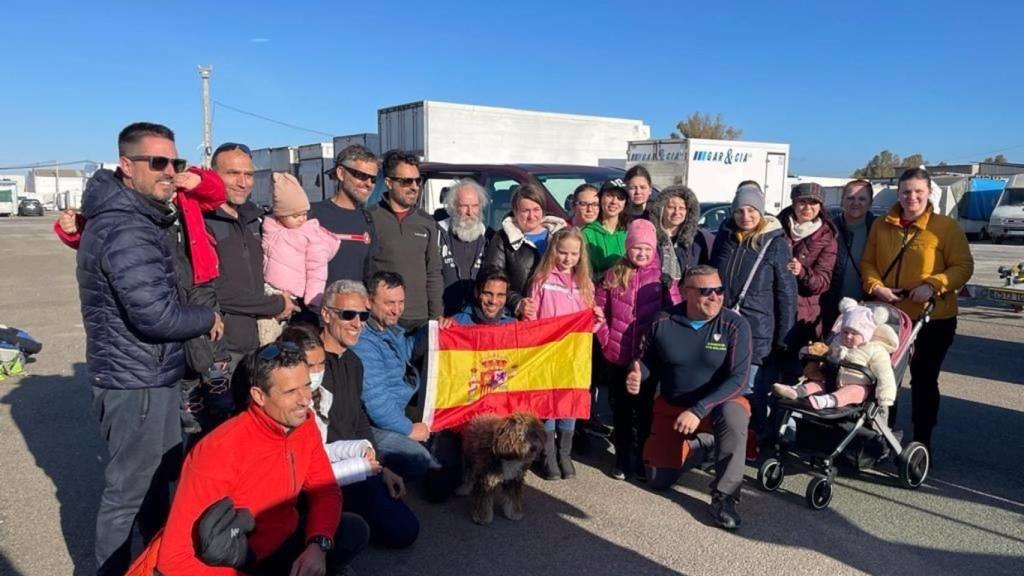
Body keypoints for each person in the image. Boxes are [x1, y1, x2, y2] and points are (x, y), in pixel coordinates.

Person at [76, 122, 221, 575]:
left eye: (174, 162)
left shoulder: (139, 217)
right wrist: (208, 317)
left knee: (157, 484)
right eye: (156, 162)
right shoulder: (126, 227)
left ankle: (157, 564)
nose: (168, 172)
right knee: (129, 494)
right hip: (134, 380)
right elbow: (155, 315)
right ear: (126, 166)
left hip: (147, 374)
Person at [155, 341, 369, 575]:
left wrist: (318, 545)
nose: (305, 399)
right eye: (290, 391)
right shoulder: (218, 449)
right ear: (258, 395)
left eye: (306, 386)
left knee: (352, 530)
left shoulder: (304, 425)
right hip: (236, 560)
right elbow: (174, 558)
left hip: (282, 538)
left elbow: (324, 490)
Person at [860, 167, 974, 450]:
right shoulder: (881, 225)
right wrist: (876, 287)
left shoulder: (945, 228)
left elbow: (963, 266)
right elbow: (868, 262)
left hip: (932, 317)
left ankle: (922, 440)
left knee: (924, 379)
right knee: (884, 376)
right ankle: (883, 436)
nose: (912, 197)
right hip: (892, 315)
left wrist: (934, 284)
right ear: (898, 193)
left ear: (929, 193)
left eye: (918, 191)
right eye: (906, 191)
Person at [285, 316, 419, 549]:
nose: (357, 323)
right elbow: (306, 474)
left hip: (339, 469)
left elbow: (327, 447)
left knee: (404, 528)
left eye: (321, 365)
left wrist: (371, 458)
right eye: (348, 314)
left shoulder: (333, 384)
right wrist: (360, 468)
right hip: (302, 492)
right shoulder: (285, 408)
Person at [636, 266, 752, 530]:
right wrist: (636, 373)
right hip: (674, 409)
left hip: (718, 406)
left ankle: (724, 497)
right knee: (657, 480)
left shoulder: (735, 324)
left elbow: (739, 380)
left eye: (719, 290)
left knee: (735, 415)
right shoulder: (662, 320)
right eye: (705, 291)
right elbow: (647, 364)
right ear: (684, 292)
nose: (715, 297)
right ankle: (702, 446)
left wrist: (699, 409)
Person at [596, 219, 682, 480]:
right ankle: (622, 458)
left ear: (654, 248)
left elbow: (675, 315)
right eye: (636, 248)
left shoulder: (663, 279)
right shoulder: (612, 275)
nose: (641, 253)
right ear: (628, 247)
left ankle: (643, 457)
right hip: (618, 354)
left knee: (645, 411)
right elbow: (599, 313)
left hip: (648, 358)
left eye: (647, 248)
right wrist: (605, 338)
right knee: (621, 410)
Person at [710, 181, 797, 436]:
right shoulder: (725, 239)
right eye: (739, 211)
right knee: (722, 384)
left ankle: (757, 438)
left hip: (758, 331)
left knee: (752, 389)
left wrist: (784, 337)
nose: (745, 217)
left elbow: (786, 293)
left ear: (761, 212)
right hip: (724, 327)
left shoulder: (776, 243)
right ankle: (728, 438)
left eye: (751, 211)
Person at [205, 143, 296, 373]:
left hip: (262, 343)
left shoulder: (256, 220)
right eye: (233, 174)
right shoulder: (203, 222)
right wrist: (275, 304)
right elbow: (214, 289)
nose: (242, 182)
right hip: (223, 349)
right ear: (213, 174)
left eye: (248, 174)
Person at [525, 228, 604, 480]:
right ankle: (547, 455)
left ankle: (564, 453)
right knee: (548, 403)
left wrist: (597, 320)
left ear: (581, 255)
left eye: (573, 253)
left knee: (568, 402)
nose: (568, 258)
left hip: (573, 356)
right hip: (547, 352)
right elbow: (533, 318)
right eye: (562, 252)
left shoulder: (585, 284)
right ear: (553, 251)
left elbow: (588, 325)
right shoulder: (542, 279)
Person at [350, 271, 439, 479]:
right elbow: (377, 404)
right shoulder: (364, 343)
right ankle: (376, 467)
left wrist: (432, 331)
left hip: (399, 410)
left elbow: (404, 351)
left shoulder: (387, 328)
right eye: (390, 303)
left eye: (401, 302)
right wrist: (409, 430)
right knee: (420, 461)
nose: (397, 310)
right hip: (372, 426)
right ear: (368, 302)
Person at [773, 297, 898, 411]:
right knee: (816, 384)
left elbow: (885, 374)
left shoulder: (875, 350)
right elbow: (823, 351)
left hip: (858, 385)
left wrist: (885, 397)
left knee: (855, 391)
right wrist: (808, 351)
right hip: (831, 381)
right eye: (845, 332)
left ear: (866, 334)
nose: (848, 336)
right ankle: (795, 391)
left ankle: (828, 401)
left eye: (854, 333)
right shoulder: (837, 342)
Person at [258, 173, 341, 342]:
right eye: (295, 215)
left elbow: (317, 268)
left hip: (298, 297)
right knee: (266, 336)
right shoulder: (268, 227)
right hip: (270, 292)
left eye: (304, 214)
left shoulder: (309, 234)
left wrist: (313, 298)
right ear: (280, 215)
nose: (301, 219)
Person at [367, 149, 443, 330]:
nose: (414, 187)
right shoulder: (369, 219)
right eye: (407, 181)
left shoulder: (427, 222)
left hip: (421, 320)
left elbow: (433, 273)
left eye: (418, 181)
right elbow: (363, 270)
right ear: (388, 183)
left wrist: (436, 315)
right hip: (382, 321)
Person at [482, 183, 567, 319]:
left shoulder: (561, 236)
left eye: (536, 209)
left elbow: (578, 275)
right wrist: (518, 302)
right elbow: (492, 278)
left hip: (557, 314)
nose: (531, 215)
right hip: (521, 318)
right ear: (515, 212)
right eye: (525, 210)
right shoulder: (502, 239)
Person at [778, 183, 838, 370]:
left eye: (813, 203)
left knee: (795, 371)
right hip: (772, 308)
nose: (807, 208)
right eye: (802, 202)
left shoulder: (827, 236)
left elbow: (823, 282)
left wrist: (802, 272)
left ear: (820, 206)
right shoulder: (775, 227)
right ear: (793, 203)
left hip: (804, 315)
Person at [311, 144, 379, 286]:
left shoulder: (367, 220)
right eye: (362, 176)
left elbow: (370, 272)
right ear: (341, 173)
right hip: (317, 306)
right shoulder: (313, 215)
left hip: (357, 307)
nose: (369, 184)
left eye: (373, 179)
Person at [822, 179, 877, 331]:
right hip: (832, 306)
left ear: (870, 202)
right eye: (851, 198)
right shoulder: (829, 229)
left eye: (862, 198)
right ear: (842, 201)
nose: (856, 203)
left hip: (868, 306)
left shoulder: (879, 229)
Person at [437, 178, 494, 316]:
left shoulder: (490, 237)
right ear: (453, 207)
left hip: (477, 317)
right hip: (443, 316)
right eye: (464, 206)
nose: (470, 212)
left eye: (475, 206)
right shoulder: (437, 233)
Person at [648, 184, 712, 285]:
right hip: (653, 294)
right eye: (671, 207)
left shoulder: (697, 240)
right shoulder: (650, 236)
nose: (677, 212)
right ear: (662, 209)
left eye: (682, 208)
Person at [581, 179, 629, 279]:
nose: (614, 201)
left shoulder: (630, 232)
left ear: (625, 204)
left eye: (620, 198)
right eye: (610, 195)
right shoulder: (586, 234)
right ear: (600, 198)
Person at [451, 270, 517, 325]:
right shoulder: (456, 323)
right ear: (476, 292)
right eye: (488, 294)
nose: (493, 301)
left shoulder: (514, 326)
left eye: (500, 295)